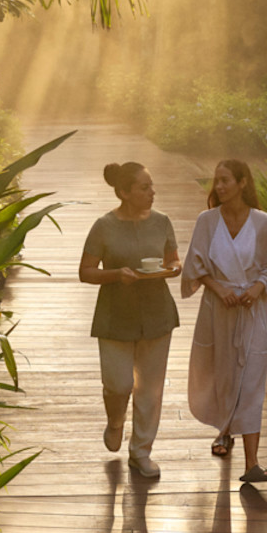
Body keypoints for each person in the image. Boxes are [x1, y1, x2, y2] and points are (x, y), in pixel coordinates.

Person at [181, 158, 267, 484]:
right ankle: (224, 432)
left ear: (243, 183)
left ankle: (252, 463)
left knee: (252, 381)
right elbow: (196, 267)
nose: (219, 187)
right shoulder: (207, 221)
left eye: (225, 180)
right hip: (218, 311)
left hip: (252, 314)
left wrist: (257, 287)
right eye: (217, 181)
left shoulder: (263, 223)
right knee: (223, 374)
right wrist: (219, 288)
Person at [78, 161, 180, 479]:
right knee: (118, 384)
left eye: (152, 186)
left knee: (150, 389)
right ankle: (115, 421)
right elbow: (86, 272)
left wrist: (173, 268)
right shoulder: (103, 226)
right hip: (114, 316)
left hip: (157, 314)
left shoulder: (162, 222)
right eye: (144, 187)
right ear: (124, 192)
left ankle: (141, 453)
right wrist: (115, 275)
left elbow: (173, 259)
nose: (152, 192)